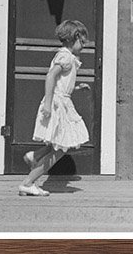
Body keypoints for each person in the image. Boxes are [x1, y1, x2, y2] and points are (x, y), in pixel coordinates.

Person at [19, 19, 91, 197]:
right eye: (82, 42)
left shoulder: (68, 57)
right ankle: (28, 183)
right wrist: (49, 104)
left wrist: (76, 87)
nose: (83, 46)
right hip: (58, 104)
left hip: (62, 101)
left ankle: (35, 156)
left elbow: (61, 82)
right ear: (73, 38)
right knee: (59, 150)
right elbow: (51, 77)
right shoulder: (65, 56)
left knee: (56, 143)